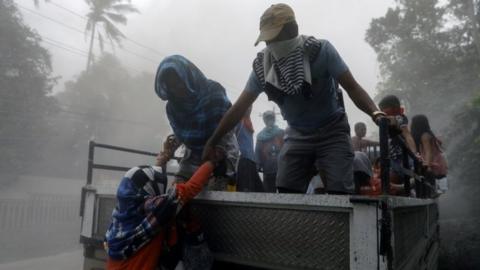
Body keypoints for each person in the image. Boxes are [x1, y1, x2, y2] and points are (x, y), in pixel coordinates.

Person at [202, 3, 385, 194]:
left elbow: (353, 88)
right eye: (267, 41)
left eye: (275, 38)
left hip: (332, 131)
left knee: (340, 193)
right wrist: (213, 141)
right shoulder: (263, 68)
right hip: (297, 134)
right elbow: (238, 109)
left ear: (293, 30)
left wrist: (376, 113)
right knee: (287, 191)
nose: (271, 46)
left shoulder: (321, 51)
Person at [104, 162, 216, 270]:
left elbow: (147, 182)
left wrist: (161, 162)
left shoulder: (120, 215)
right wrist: (211, 163)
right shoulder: (155, 214)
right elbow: (188, 189)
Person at [154, 55, 239, 191]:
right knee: (176, 194)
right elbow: (184, 133)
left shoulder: (213, 91)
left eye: (178, 82)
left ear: (187, 76)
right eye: (171, 86)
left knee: (214, 197)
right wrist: (169, 150)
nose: (177, 89)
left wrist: (215, 154)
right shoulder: (173, 107)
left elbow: (228, 125)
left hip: (221, 148)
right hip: (193, 154)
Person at [378, 95, 417, 195]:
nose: (381, 112)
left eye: (383, 109)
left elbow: (407, 135)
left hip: (402, 156)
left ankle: (403, 189)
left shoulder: (399, 118)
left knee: (412, 175)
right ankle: (399, 189)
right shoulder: (386, 121)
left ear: (394, 108)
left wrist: (414, 153)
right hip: (394, 157)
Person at [410, 114, 448, 194]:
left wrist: (428, 165)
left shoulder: (425, 136)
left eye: (412, 123)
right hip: (435, 159)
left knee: (425, 175)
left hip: (433, 160)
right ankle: (433, 190)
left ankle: (433, 191)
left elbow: (428, 151)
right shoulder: (427, 134)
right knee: (426, 177)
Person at [235, 106, 265, 192]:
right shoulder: (239, 120)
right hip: (243, 159)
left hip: (251, 160)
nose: (249, 109)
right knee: (246, 189)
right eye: (247, 107)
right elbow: (232, 136)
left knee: (259, 190)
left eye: (250, 107)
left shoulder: (247, 120)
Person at [255, 110, 284, 192]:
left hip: (281, 168)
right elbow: (257, 152)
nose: (269, 120)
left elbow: (286, 149)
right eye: (267, 118)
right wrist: (257, 165)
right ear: (264, 120)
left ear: (274, 119)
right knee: (269, 194)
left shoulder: (281, 133)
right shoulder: (260, 136)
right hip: (267, 169)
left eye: (271, 118)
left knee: (283, 193)